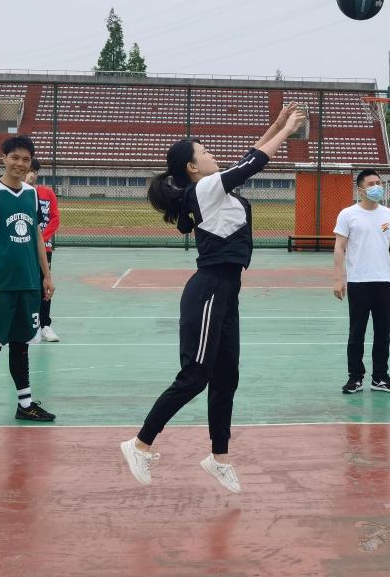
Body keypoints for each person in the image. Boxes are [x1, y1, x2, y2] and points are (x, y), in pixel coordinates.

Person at [120, 104, 305, 491]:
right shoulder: (204, 189)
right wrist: (286, 131)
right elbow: (253, 163)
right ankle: (139, 444)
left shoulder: (213, 188)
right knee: (194, 377)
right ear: (192, 167)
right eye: (203, 151)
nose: (210, 153)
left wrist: (274, 125)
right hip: (208, 291)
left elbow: (246, 159)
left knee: (226, 378)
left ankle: (218, 458)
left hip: (226, 293)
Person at [0, 135, 56, 428]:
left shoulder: (31, 194)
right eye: (15, 158)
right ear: (4, 158)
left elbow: (36, 238)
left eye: (25, 159)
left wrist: (46, 275)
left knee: (21, 346)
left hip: (28, 283)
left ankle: (26, 404)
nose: (20, 164)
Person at [333, 169, 390, 394]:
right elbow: (339, 247)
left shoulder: (388, 215)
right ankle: (355, 378)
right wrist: (338, 278)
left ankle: (380, 377)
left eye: (379, 183)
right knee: (357, 333)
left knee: (383, 333)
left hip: (383, 282)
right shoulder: (348, 214)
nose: (377, 187)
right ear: (361, 189)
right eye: (372, 183)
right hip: (358, 282)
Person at [26, 159, 61, 342]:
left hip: (43, 248)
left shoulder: (47, 193)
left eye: (34, 171)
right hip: (22, 248)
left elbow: (55, 219)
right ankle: (25, 325)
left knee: (44, 285)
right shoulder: (18, 194)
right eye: (28, 171)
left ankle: (45, 325)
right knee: (23, 286)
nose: (31, 174)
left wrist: (41, 239)